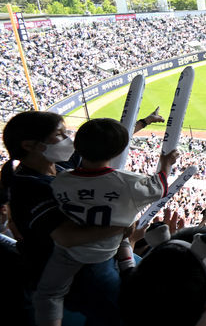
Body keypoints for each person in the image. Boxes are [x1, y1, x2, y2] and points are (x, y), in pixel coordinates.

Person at [34, 118, 178, 326]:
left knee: (48, 295)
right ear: (118, 152)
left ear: (77, 147)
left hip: (66, 253)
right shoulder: (128, 183)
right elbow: (161, 187)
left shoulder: (61, 180)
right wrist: (165, 162)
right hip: (103, 255)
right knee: (114, 307)